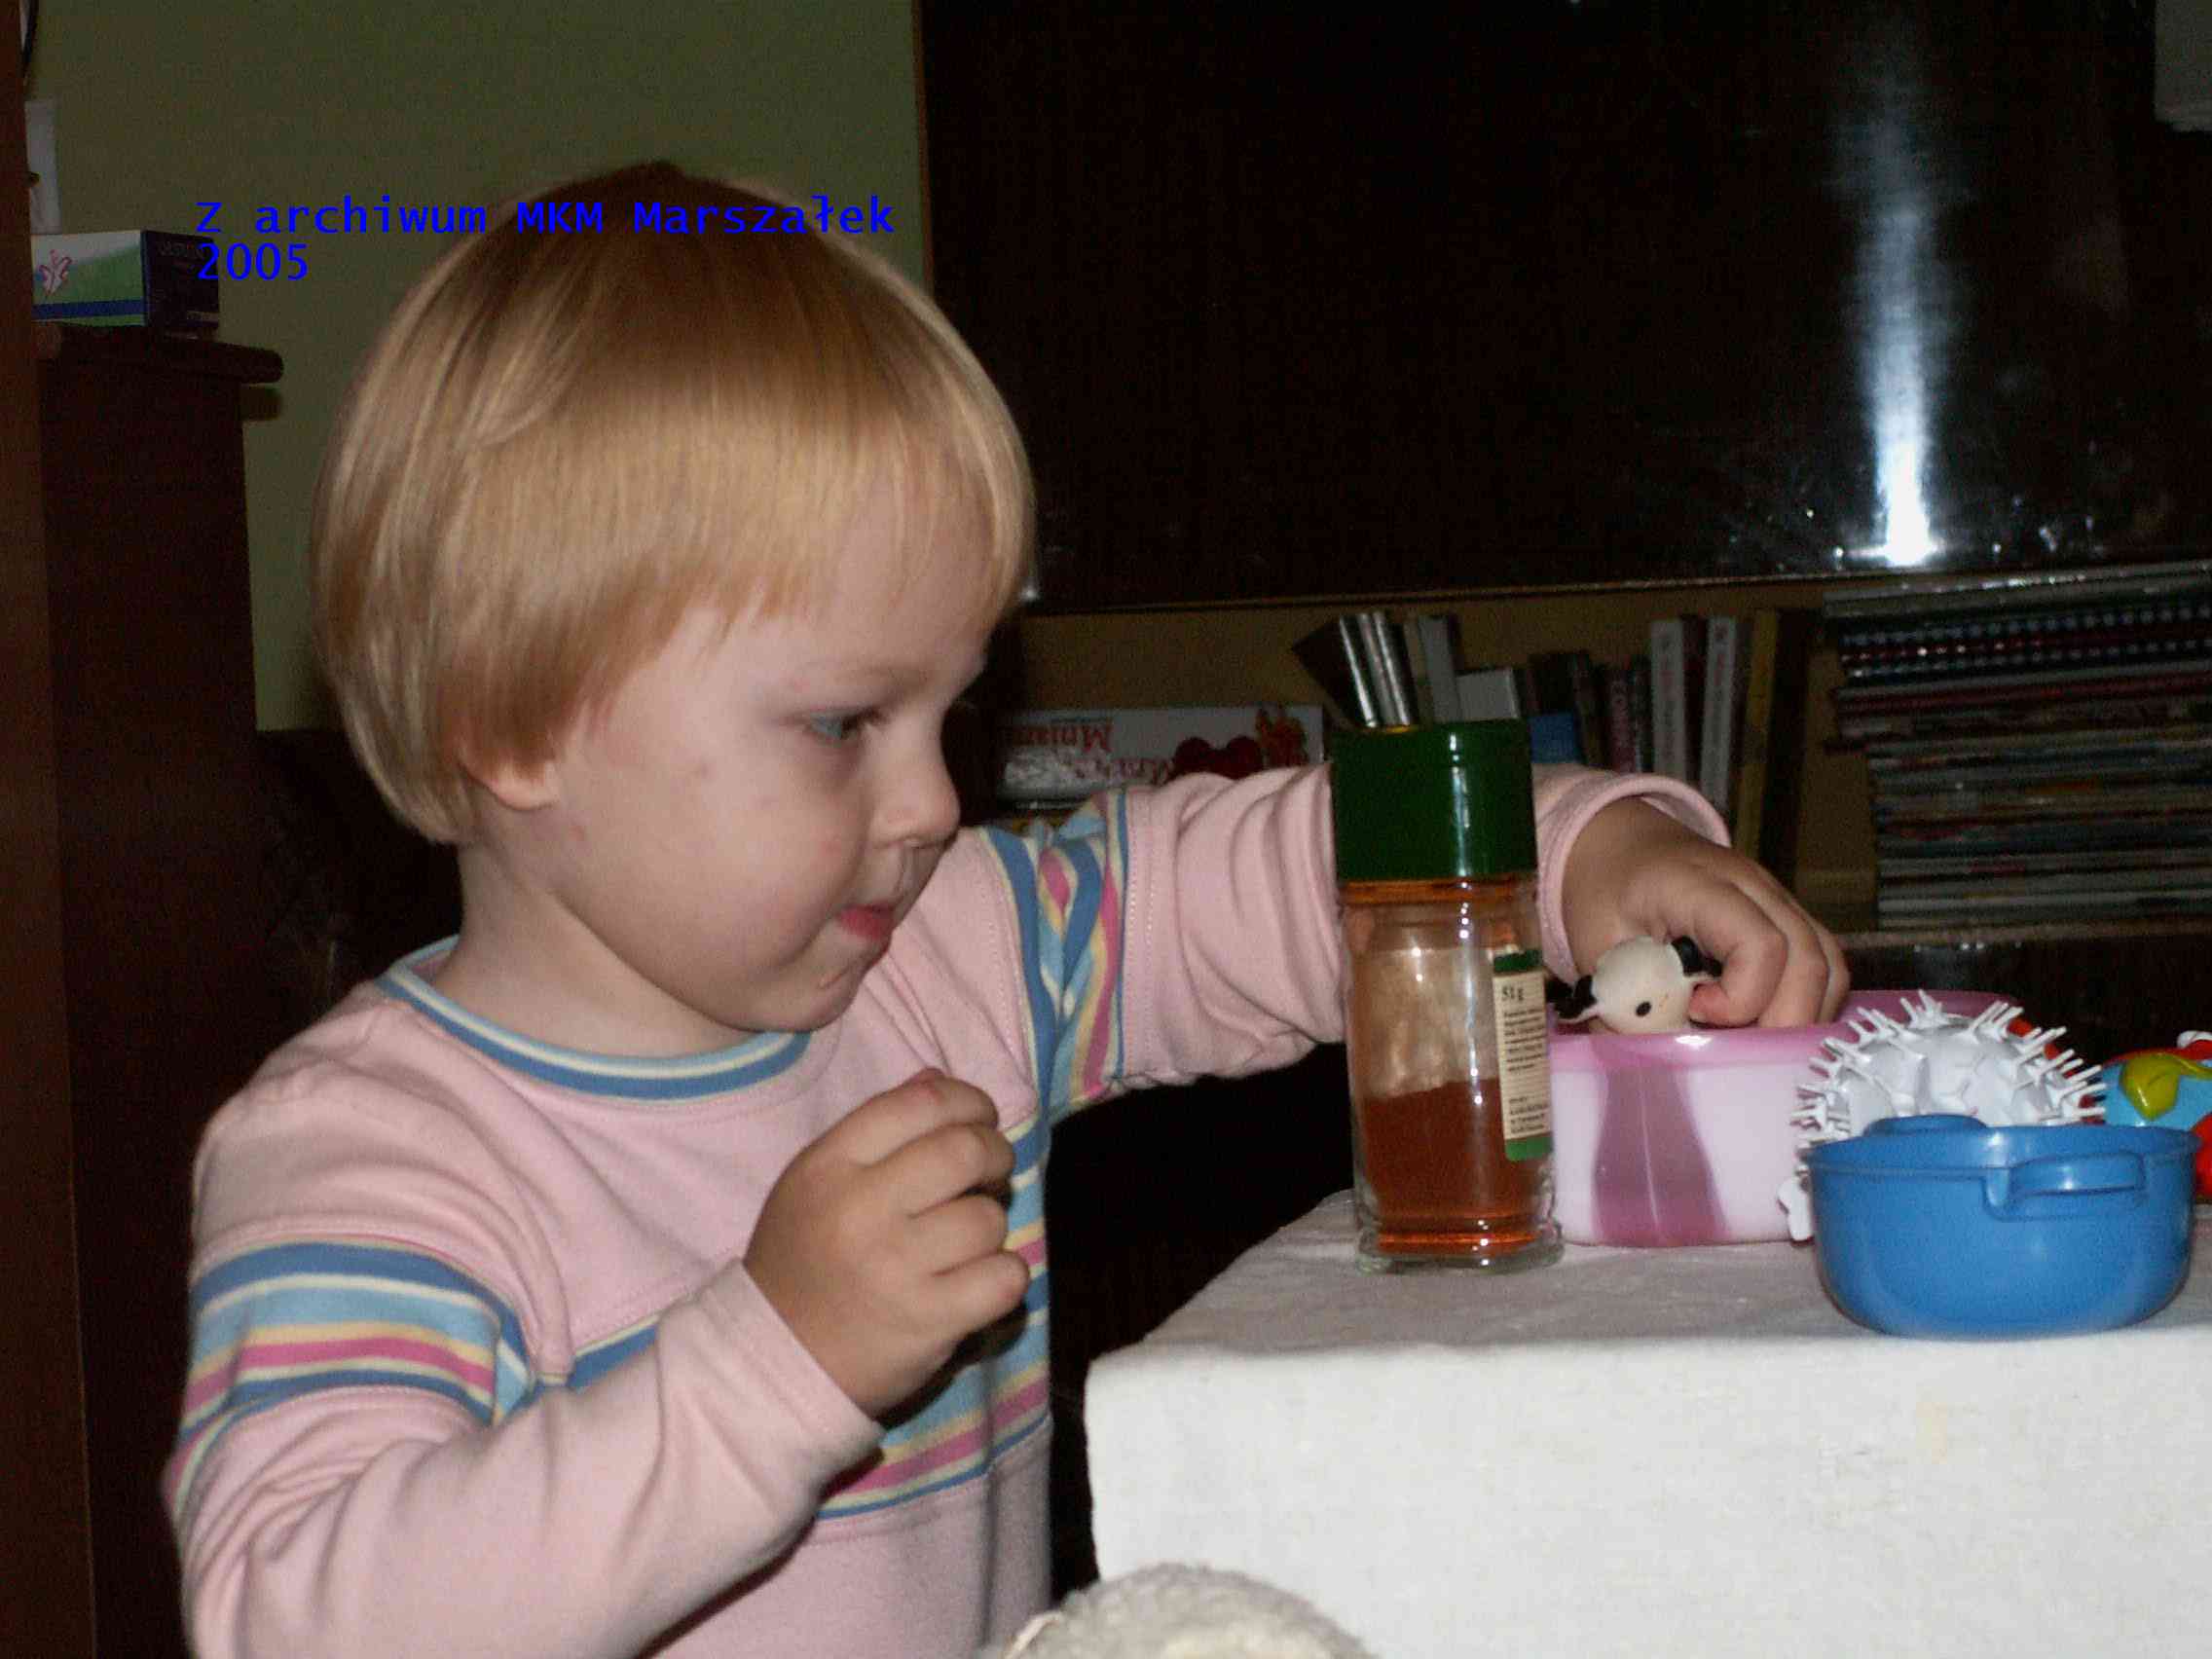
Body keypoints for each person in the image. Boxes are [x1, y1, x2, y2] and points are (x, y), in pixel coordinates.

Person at [165, 162, 1848, 1659]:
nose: (927, 803)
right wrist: (775, 1359)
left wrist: (1578, 855)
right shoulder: (379, 1151)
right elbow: (294, 1618)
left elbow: (1251, 876)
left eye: (945, 714)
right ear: (514, 725)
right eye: (844, 724)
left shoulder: (953, 952)